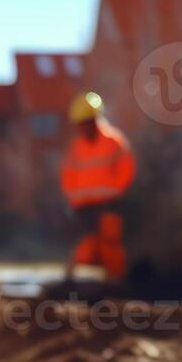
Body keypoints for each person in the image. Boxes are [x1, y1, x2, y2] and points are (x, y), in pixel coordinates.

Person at [60, 92, 135, 282]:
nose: (82, 128)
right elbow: (68, 176)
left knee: (111, 243)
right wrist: (74, 200)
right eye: (80, 124)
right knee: (86, 245)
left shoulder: (113, 141)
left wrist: (114, 192)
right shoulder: (76, 147)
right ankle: (75, 283)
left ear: (94, 120)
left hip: (110, 204)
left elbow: (127, 169)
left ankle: (117, 282)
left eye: (85, 122)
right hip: (84, 207)